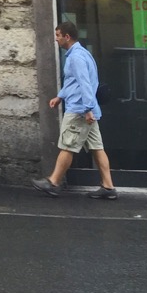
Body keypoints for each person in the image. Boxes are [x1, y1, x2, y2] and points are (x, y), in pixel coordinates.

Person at [32, 21, 117, 200]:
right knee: (97, 148)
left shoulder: (76, 57)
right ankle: (108, 187)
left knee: (67, 146)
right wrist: (60, 96)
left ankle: (53, 183)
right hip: (86, 109)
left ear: (67, 36)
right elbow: (74, 82)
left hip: (79, 110)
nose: (56, 39)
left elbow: (85, 83)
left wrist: (87, 109)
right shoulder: (83, 53)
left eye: (58, 36)